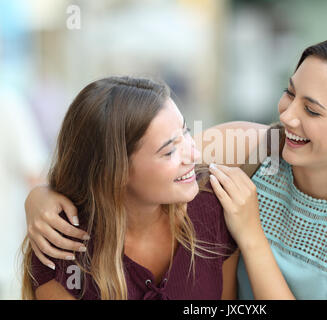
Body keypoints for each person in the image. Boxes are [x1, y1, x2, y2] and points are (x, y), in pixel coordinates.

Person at [24, 35, 327, 299]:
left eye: (313, 110)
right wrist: (40, 198)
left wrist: (251, 235)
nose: (287, 117)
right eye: (290, 93)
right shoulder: (251, 146)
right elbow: (124, 161)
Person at [21, 76, 239, 300]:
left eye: (186, 132)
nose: (194, 155)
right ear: (116, 171)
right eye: (169, 152)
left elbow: (271, 138)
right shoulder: (62, 247)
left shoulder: (211, 205)